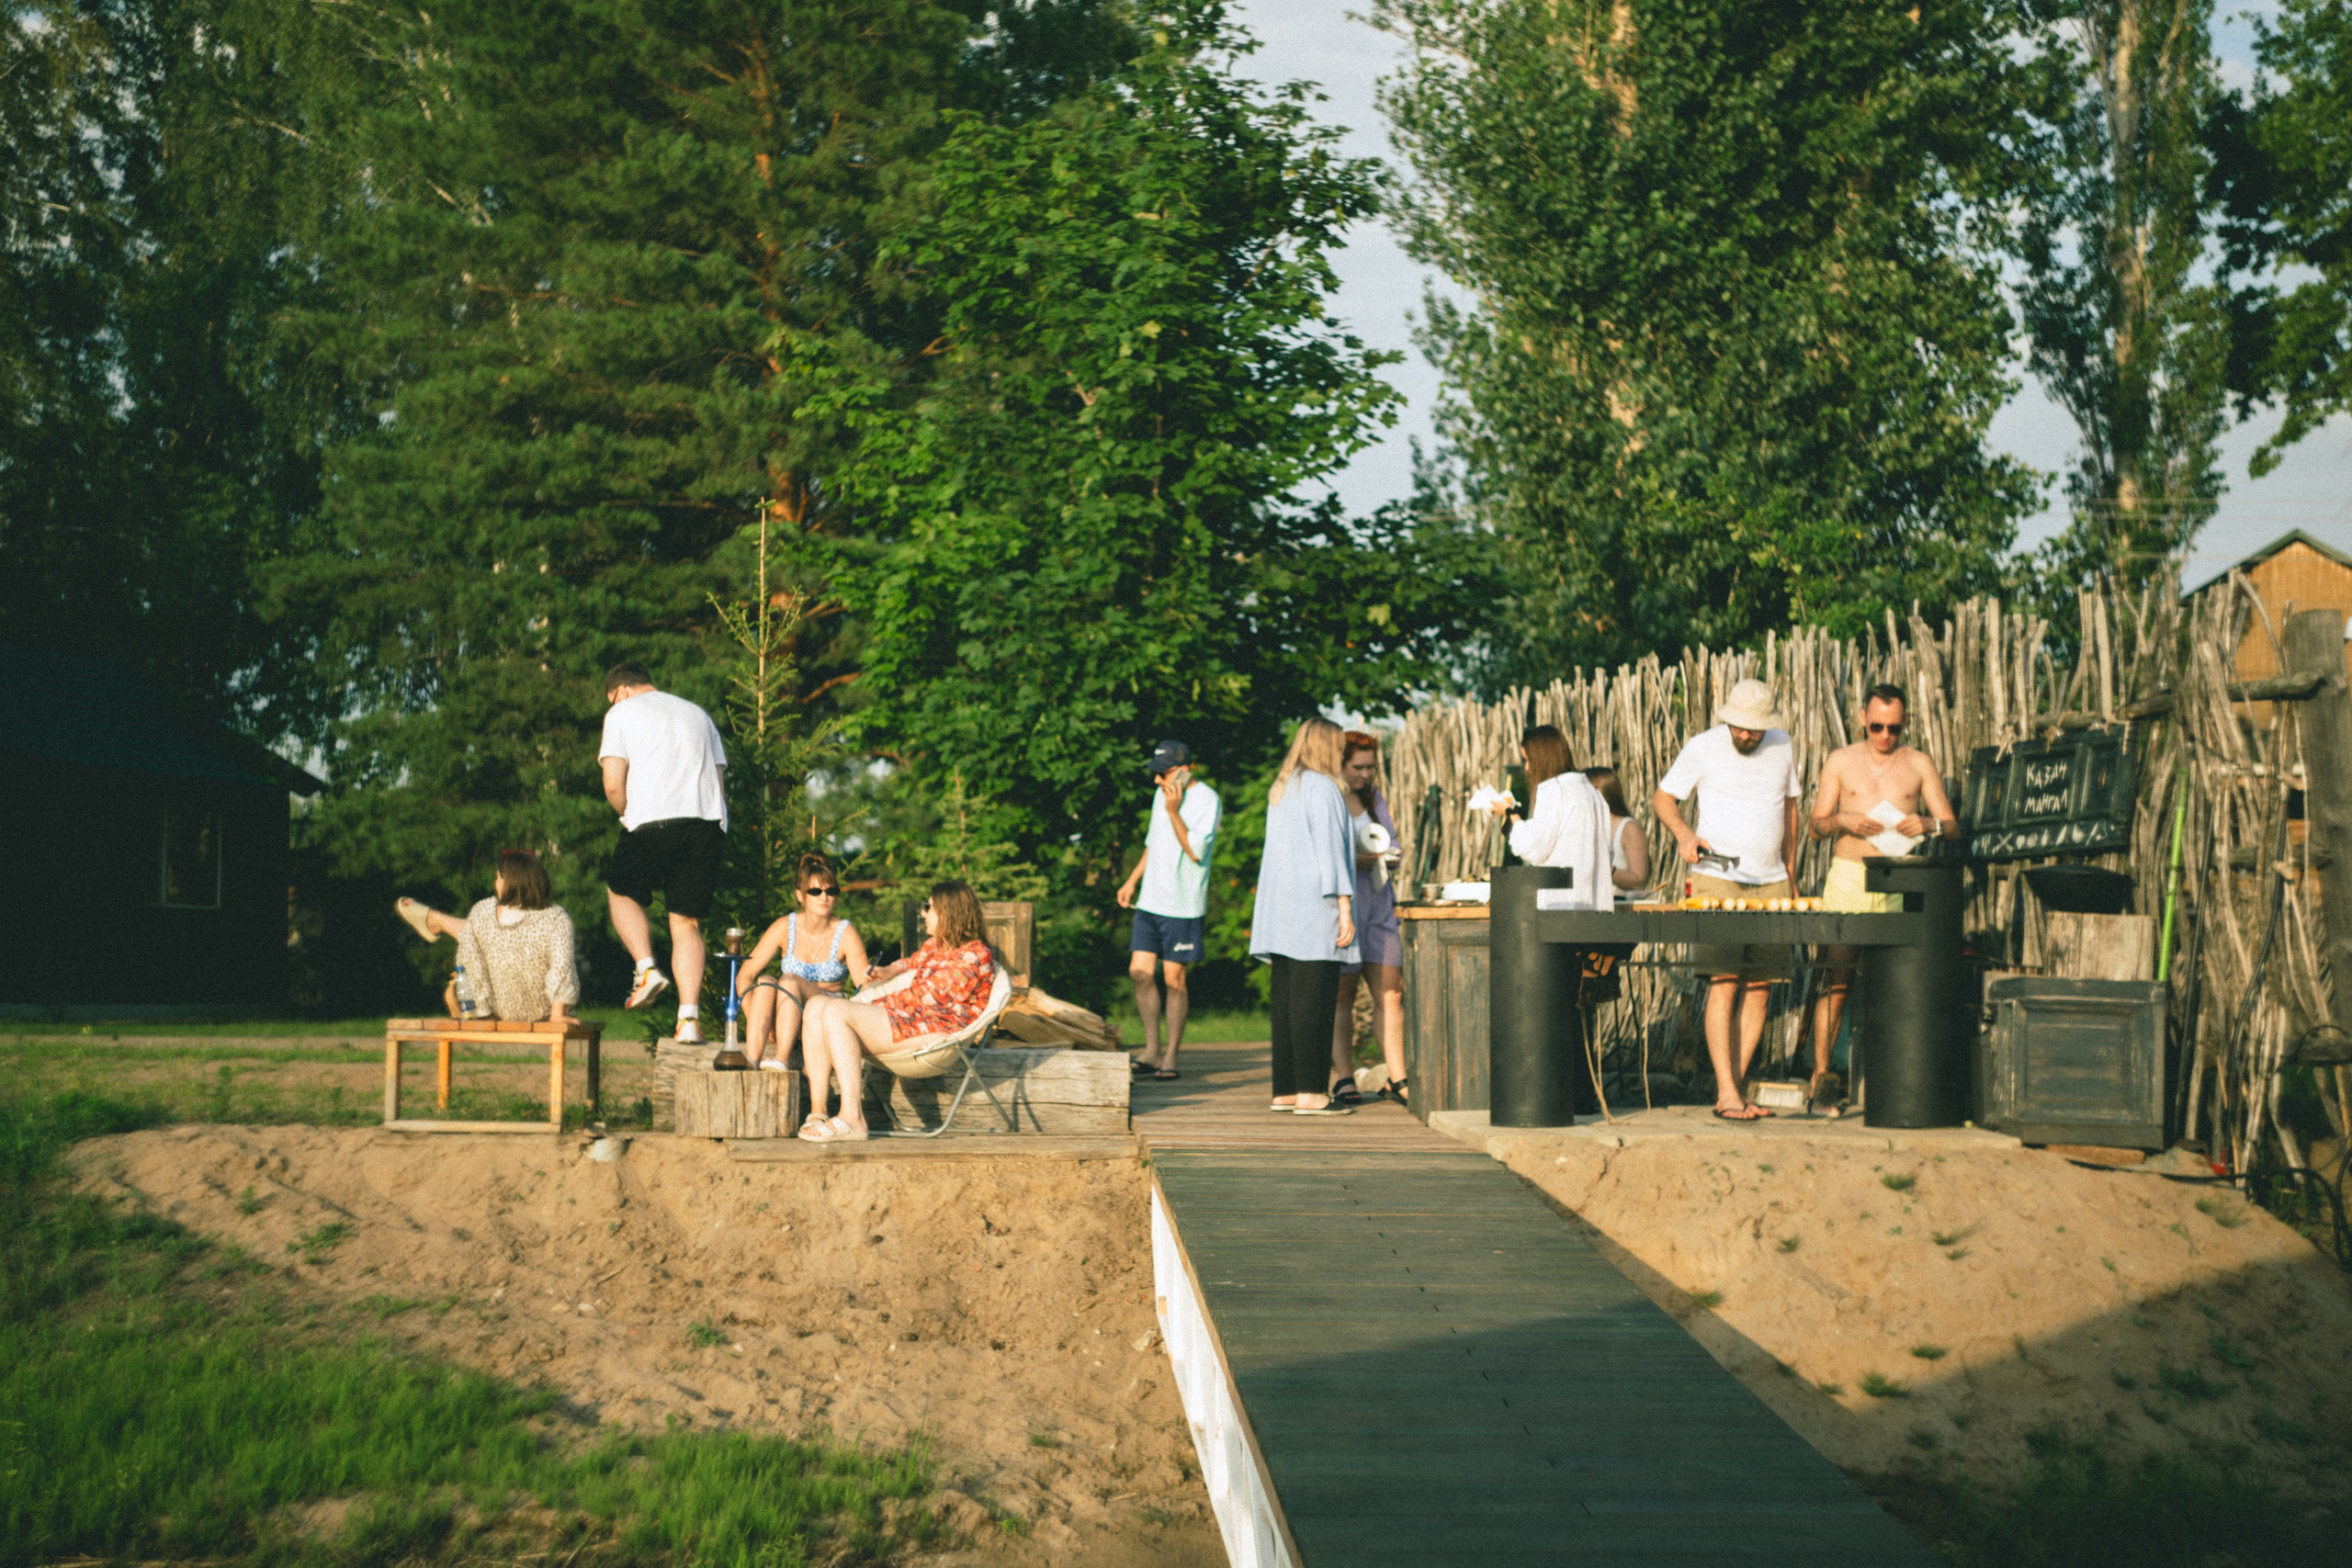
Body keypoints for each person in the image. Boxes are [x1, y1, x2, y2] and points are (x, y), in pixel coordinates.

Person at [1652, 679, 1803, 1122]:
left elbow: (1790, 809)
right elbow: (1664, 799)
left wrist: (1791, 873)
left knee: (1760, 987)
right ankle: (1727, 1091)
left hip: (1772, 879)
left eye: (1753, 729)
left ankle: (1731, 1091)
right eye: (1738, 726)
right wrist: (1684, 835)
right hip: (1717, 878)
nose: (1745, 734)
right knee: (1724, 980)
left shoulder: (1783, 745)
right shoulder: (1703, 746)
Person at [1805, 682, 1959, 1103]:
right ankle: (1823, 1076)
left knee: (1896, 978)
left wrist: (1927, 825)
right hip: (1851, 873)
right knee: (1837, 975)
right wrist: (1843, 821)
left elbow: (1952, 826)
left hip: (1898, 876)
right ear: (1862, 719)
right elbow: (1814, 827)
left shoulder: (1918, 763)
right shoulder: (1840, 761)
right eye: (1877, 727)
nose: (1885, 736)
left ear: (1905, 722)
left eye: (1893, 728)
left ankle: (1890, 1075)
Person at [797, 880, 999, 1143]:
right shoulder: (935, 945)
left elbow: (929, 1000)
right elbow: (911, 962)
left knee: (835, 1010)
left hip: (936, 1030)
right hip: (911, 1019)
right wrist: (888, 971)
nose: (924, 913)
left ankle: (852, 1117)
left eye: (930, 907)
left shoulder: (975, 954)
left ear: (949, 912)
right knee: (815, 1006)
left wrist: (868, 1005)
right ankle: (819, 1110)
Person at [598, 661, 728, 1043]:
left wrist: (626, 812)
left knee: (619, 891)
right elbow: (720, 782)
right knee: (686, 923)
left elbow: (612, 785)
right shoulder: (698, 714)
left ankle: (646, 968)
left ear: (619, 691)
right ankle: (688, 1020)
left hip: (652, 821)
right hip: (706, 824)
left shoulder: (621, 712)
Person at [1250, 717, 1358, 1116]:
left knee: (1287, 1001)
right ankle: (1313, 1092)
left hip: (1280, 910)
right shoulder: (1324, 788)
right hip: (1315, 908)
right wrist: (1344, 907)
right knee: (1315, 1000)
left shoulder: (1282, 788)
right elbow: (1330, 851)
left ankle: (1287, 1090)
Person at [1115, 739, 1221, 1082]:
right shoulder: (1161, 796)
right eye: (1156, 774)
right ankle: (1151, 1049)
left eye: (1163, 774)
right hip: (1150, 901)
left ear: (1184, 769)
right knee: (1139, 972)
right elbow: (1153, 843)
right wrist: (1132, 880)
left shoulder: (1207, 799)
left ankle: (1171, 1054)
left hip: (1183, 904)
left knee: (1174, 979)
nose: (1158, 781)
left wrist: (1175, 811)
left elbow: (1194, 851)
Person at [394, 851, 579, 1022]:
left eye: (498, 878)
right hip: (545, 1011)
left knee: (473, 933)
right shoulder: (557, 917)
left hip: (500, 1011)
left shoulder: (482, 911)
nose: (495, 883)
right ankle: (436, 920)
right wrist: (557, 1013)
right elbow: (561, 968)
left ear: (508, 881)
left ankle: (436, 921)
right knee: (476, 931)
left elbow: (472, 964)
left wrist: (482, 1009)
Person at [733, 852, 873, 1074]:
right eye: (816, 891)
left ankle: (782, 1058)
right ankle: (752, 1058)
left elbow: (864, 988)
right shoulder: (784, 927)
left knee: (789, 981)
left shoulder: (846, 933)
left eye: (830, 891)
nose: (824, 898)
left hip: (826, 1014)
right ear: (800, 895)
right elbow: (744, 975)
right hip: (787, 1019)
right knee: (765, 981)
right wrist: (760, 1023)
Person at [1329, 731, 1406, 1109]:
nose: (1364, 774)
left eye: (1370, 767)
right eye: (1357, 767)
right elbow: (1332, 856)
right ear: (1340, 764)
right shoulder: (1329, 801)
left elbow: (1392, 842)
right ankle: (1343, 1077)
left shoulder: (1374, 799)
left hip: (1379, 905)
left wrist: (1391, 855)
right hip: (1345, 908)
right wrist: (1371, 857)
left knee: (1391, 993)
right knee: (1342, 997)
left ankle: (1397, 1076)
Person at [1479, 725, 1614, 908]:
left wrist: (1511, 814)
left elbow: (1535, 848)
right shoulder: (1591, 792)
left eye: (1529, 760)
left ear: (1542, 759)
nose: (1527, 768)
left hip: (1563, 906)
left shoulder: (1556, 791)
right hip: (1594, 904)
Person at [1582, 767, 1653, 900]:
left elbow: (1639, 880)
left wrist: (1605, 870)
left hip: (1620, 906)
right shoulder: (1583, 826)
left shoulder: (1629, 828)